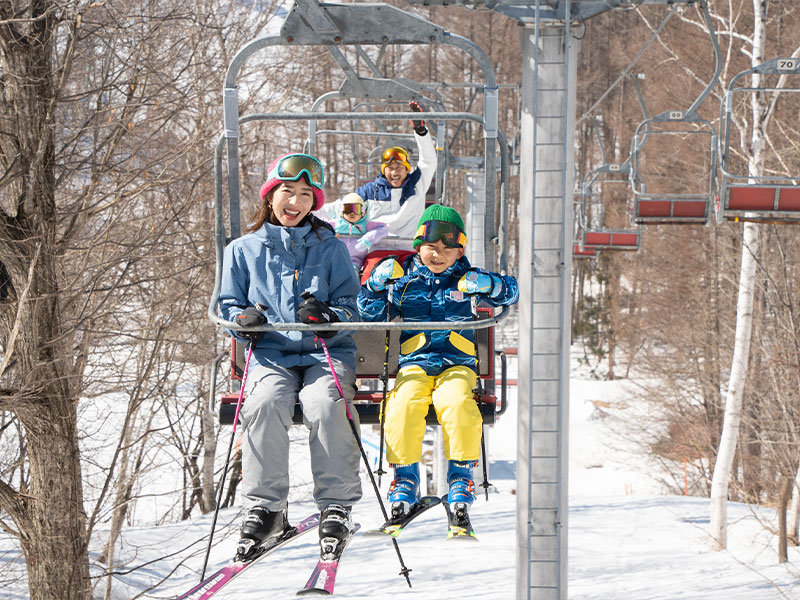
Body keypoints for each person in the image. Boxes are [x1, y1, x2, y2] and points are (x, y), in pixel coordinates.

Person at [218, 153, 363, 559]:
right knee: (264, 402)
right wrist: (243, 319)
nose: (295, 202)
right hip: (270, 354)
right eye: (287, 191)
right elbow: (226, 304)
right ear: (270, 196)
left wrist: (329, 318)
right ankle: (267, 508)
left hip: (325, 353)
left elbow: (353, 306)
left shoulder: (331, 248)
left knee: (326, 401)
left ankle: (336, 504)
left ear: (314, 202)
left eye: (305, 194)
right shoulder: (243, 250)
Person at [357, 204, 519, 520]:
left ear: (459, 252)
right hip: (415, 362)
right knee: (402, 404)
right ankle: (404, 479)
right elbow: (369, 314)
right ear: (419, 247)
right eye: (431, 246)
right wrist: (375, 286)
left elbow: (511, 292)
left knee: (458, 403)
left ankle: (461, 478)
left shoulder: (468, 278)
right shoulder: (404, 280)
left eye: (447, 248)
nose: (437, 254)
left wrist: (488, 286)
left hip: (457, 363)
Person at [317, 101, 437, 245]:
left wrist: (421, 132)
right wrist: (309, 210)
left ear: (407, 169)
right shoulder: (370, 191)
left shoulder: (416, 185)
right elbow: (340, 207)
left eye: (399, 168)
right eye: (390, 168)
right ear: (383, 171)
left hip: (407, 248)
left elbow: (428, 161)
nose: (394, 173)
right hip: (377, 248)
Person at [328, 192, 388, 271]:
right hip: (335, 258)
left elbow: (383, 228)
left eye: (356, 209)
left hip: (354, 260)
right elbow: (320, 227)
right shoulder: (336, 224)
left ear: (362, 212)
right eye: (348, 209)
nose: (352, 213)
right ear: (342, 211)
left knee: (352, 275)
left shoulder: (365, 224)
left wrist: (368, 239)